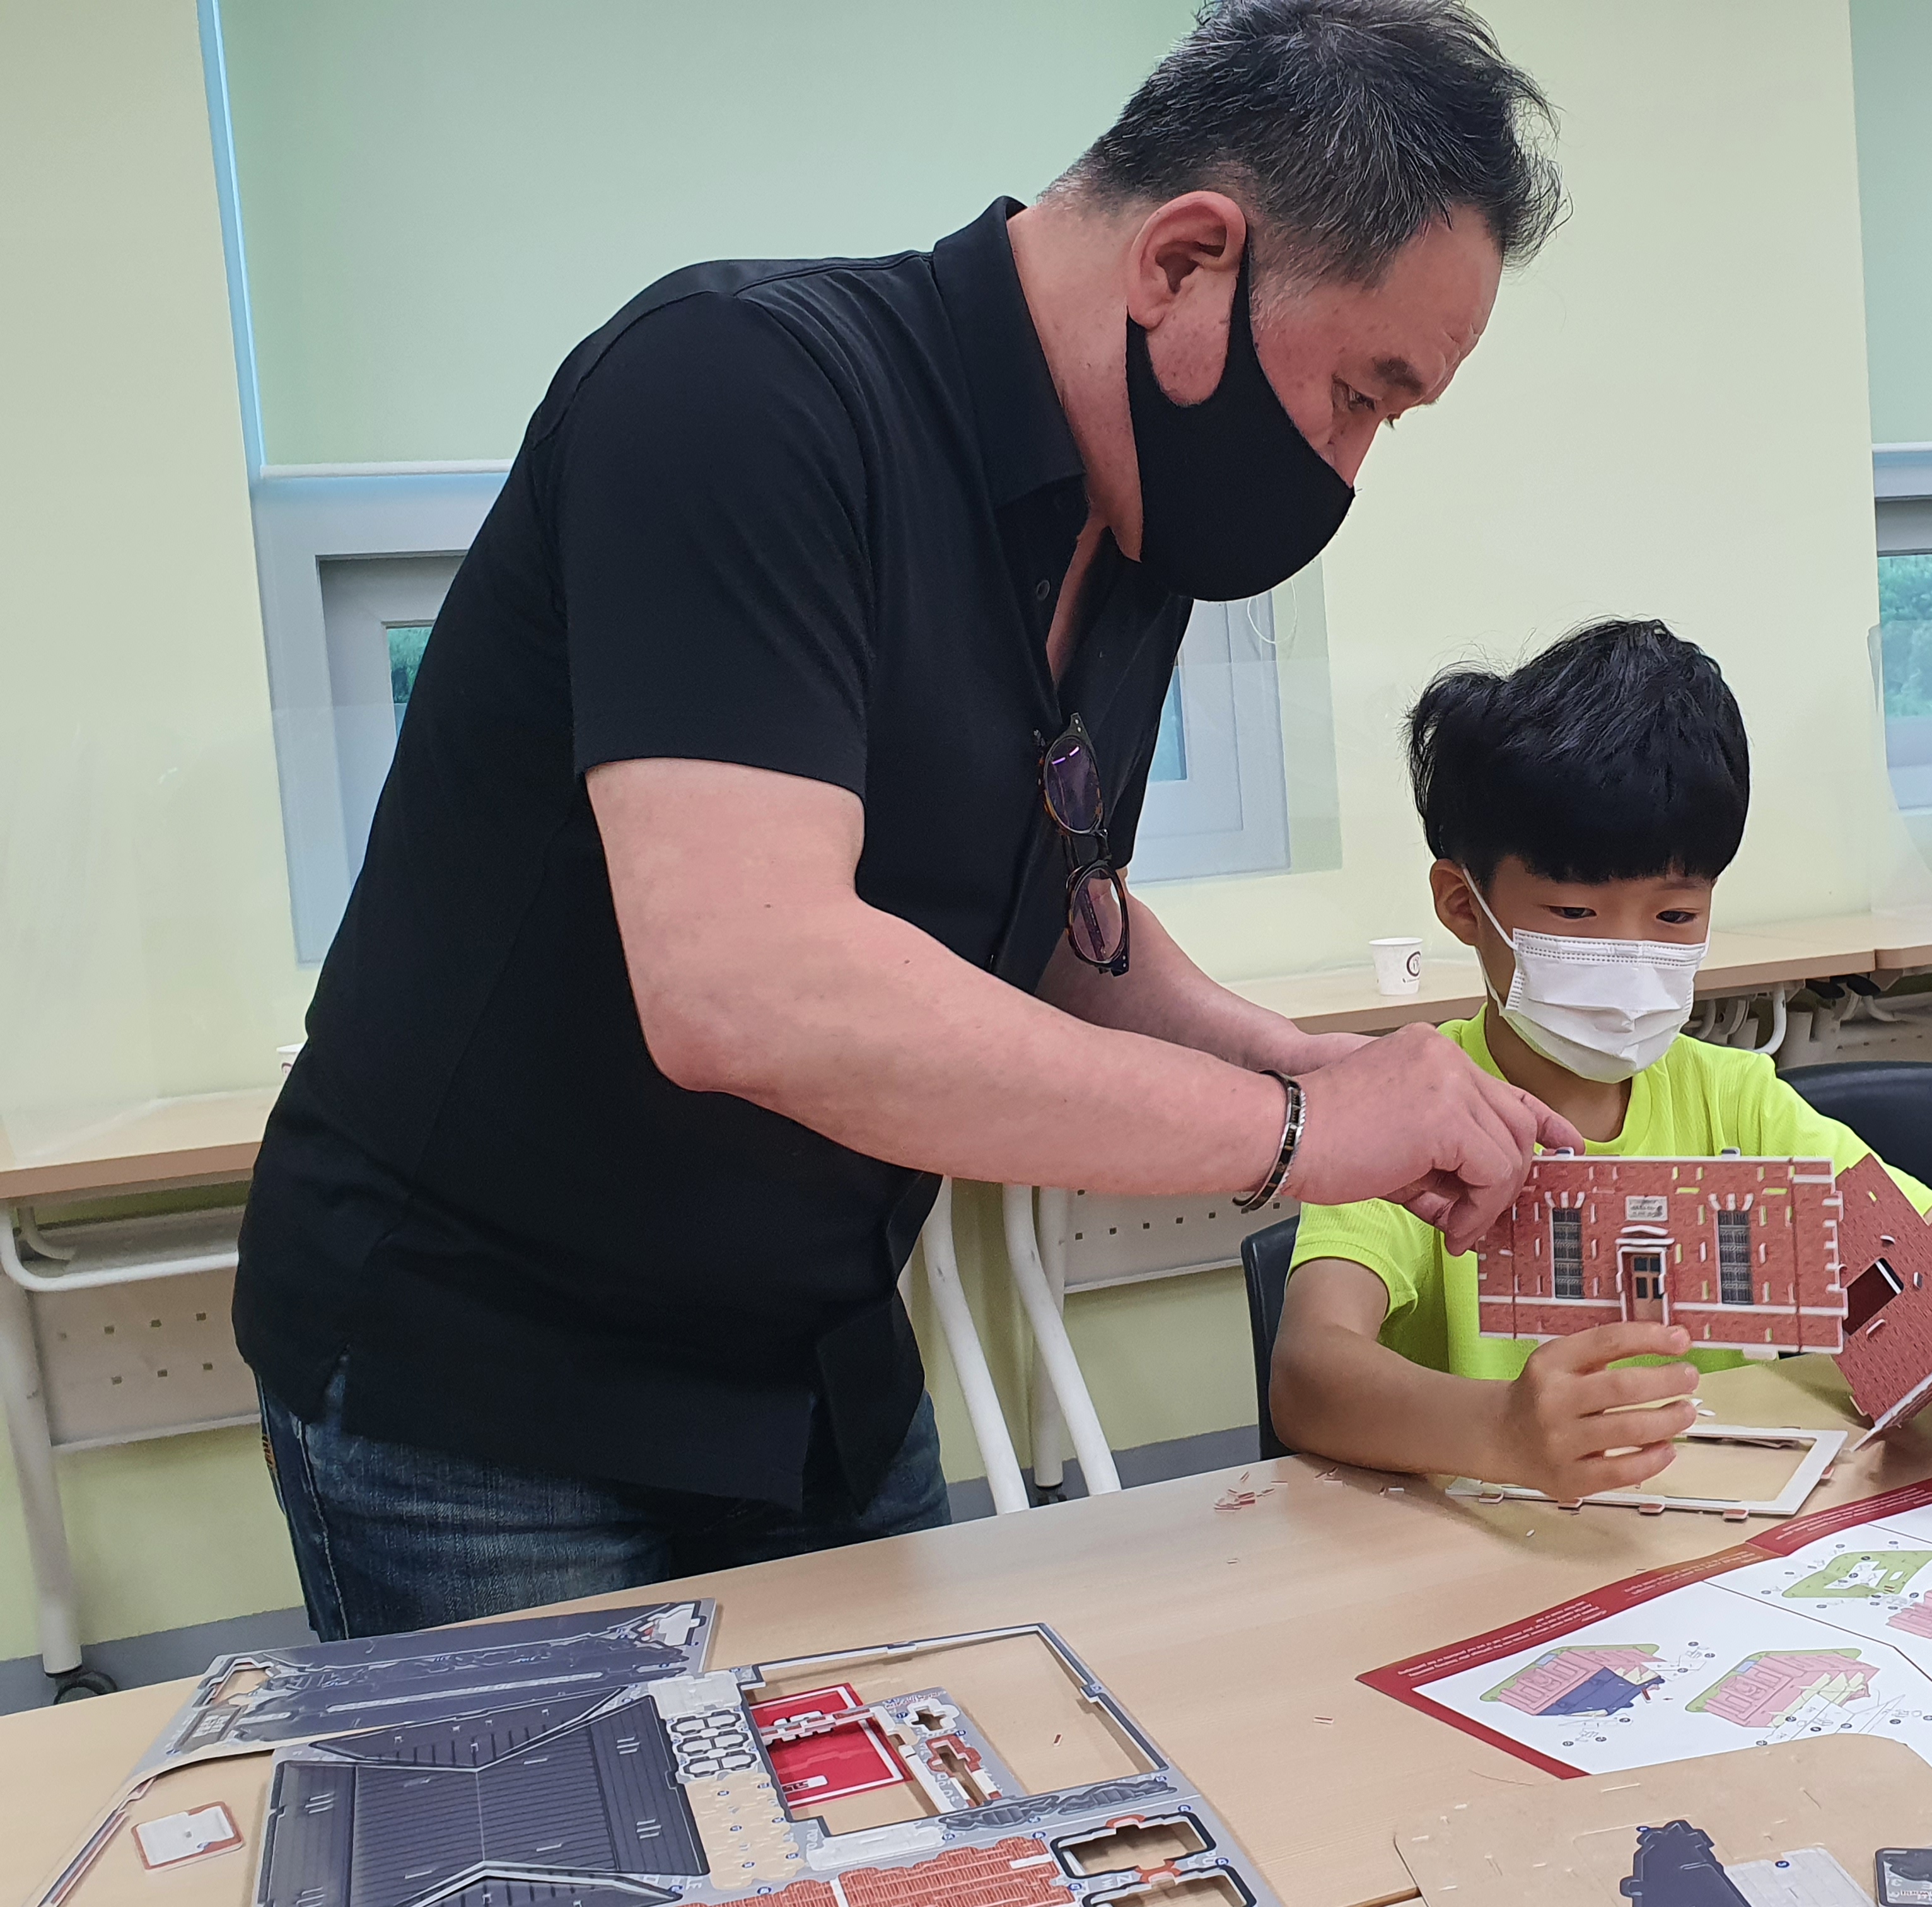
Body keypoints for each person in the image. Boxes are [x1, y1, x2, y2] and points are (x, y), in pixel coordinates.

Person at [236, 0, 1582, 1640]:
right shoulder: (740, 399)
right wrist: (1297, 1135)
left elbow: (1052, 916)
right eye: (1363, 394)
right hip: (491, 1390)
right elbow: (751, 988)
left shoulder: (1136, 527)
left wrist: (1313, 1065)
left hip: (813, 1365)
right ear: (1185, 263)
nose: (1352, 466)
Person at [1269, 621, 1932, 1499]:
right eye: (1575, 915)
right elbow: (1309, 1371)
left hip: (1718, 1534)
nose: (1632, 954)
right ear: (1463, 905)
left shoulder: (1737, 1103)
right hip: (1491, 1544)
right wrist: (1496, 1430)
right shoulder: (1409, 1113)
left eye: (1675, 917)